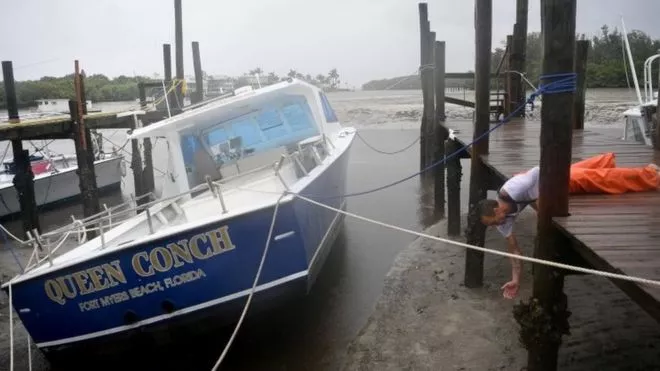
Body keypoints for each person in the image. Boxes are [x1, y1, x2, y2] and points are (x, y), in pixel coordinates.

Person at [477, 152, 660, 299]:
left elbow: (539, 170)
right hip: (545, 183)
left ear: (497, 209)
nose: (495, 226)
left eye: (493, 222)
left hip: (552, 180)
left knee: (599, 180)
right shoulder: (504, 220)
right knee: (582, 172)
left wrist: (542, 204)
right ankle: (606, 159)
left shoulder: (512, 189)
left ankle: (651, 175)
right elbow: (514, 252)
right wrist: (515, 279)